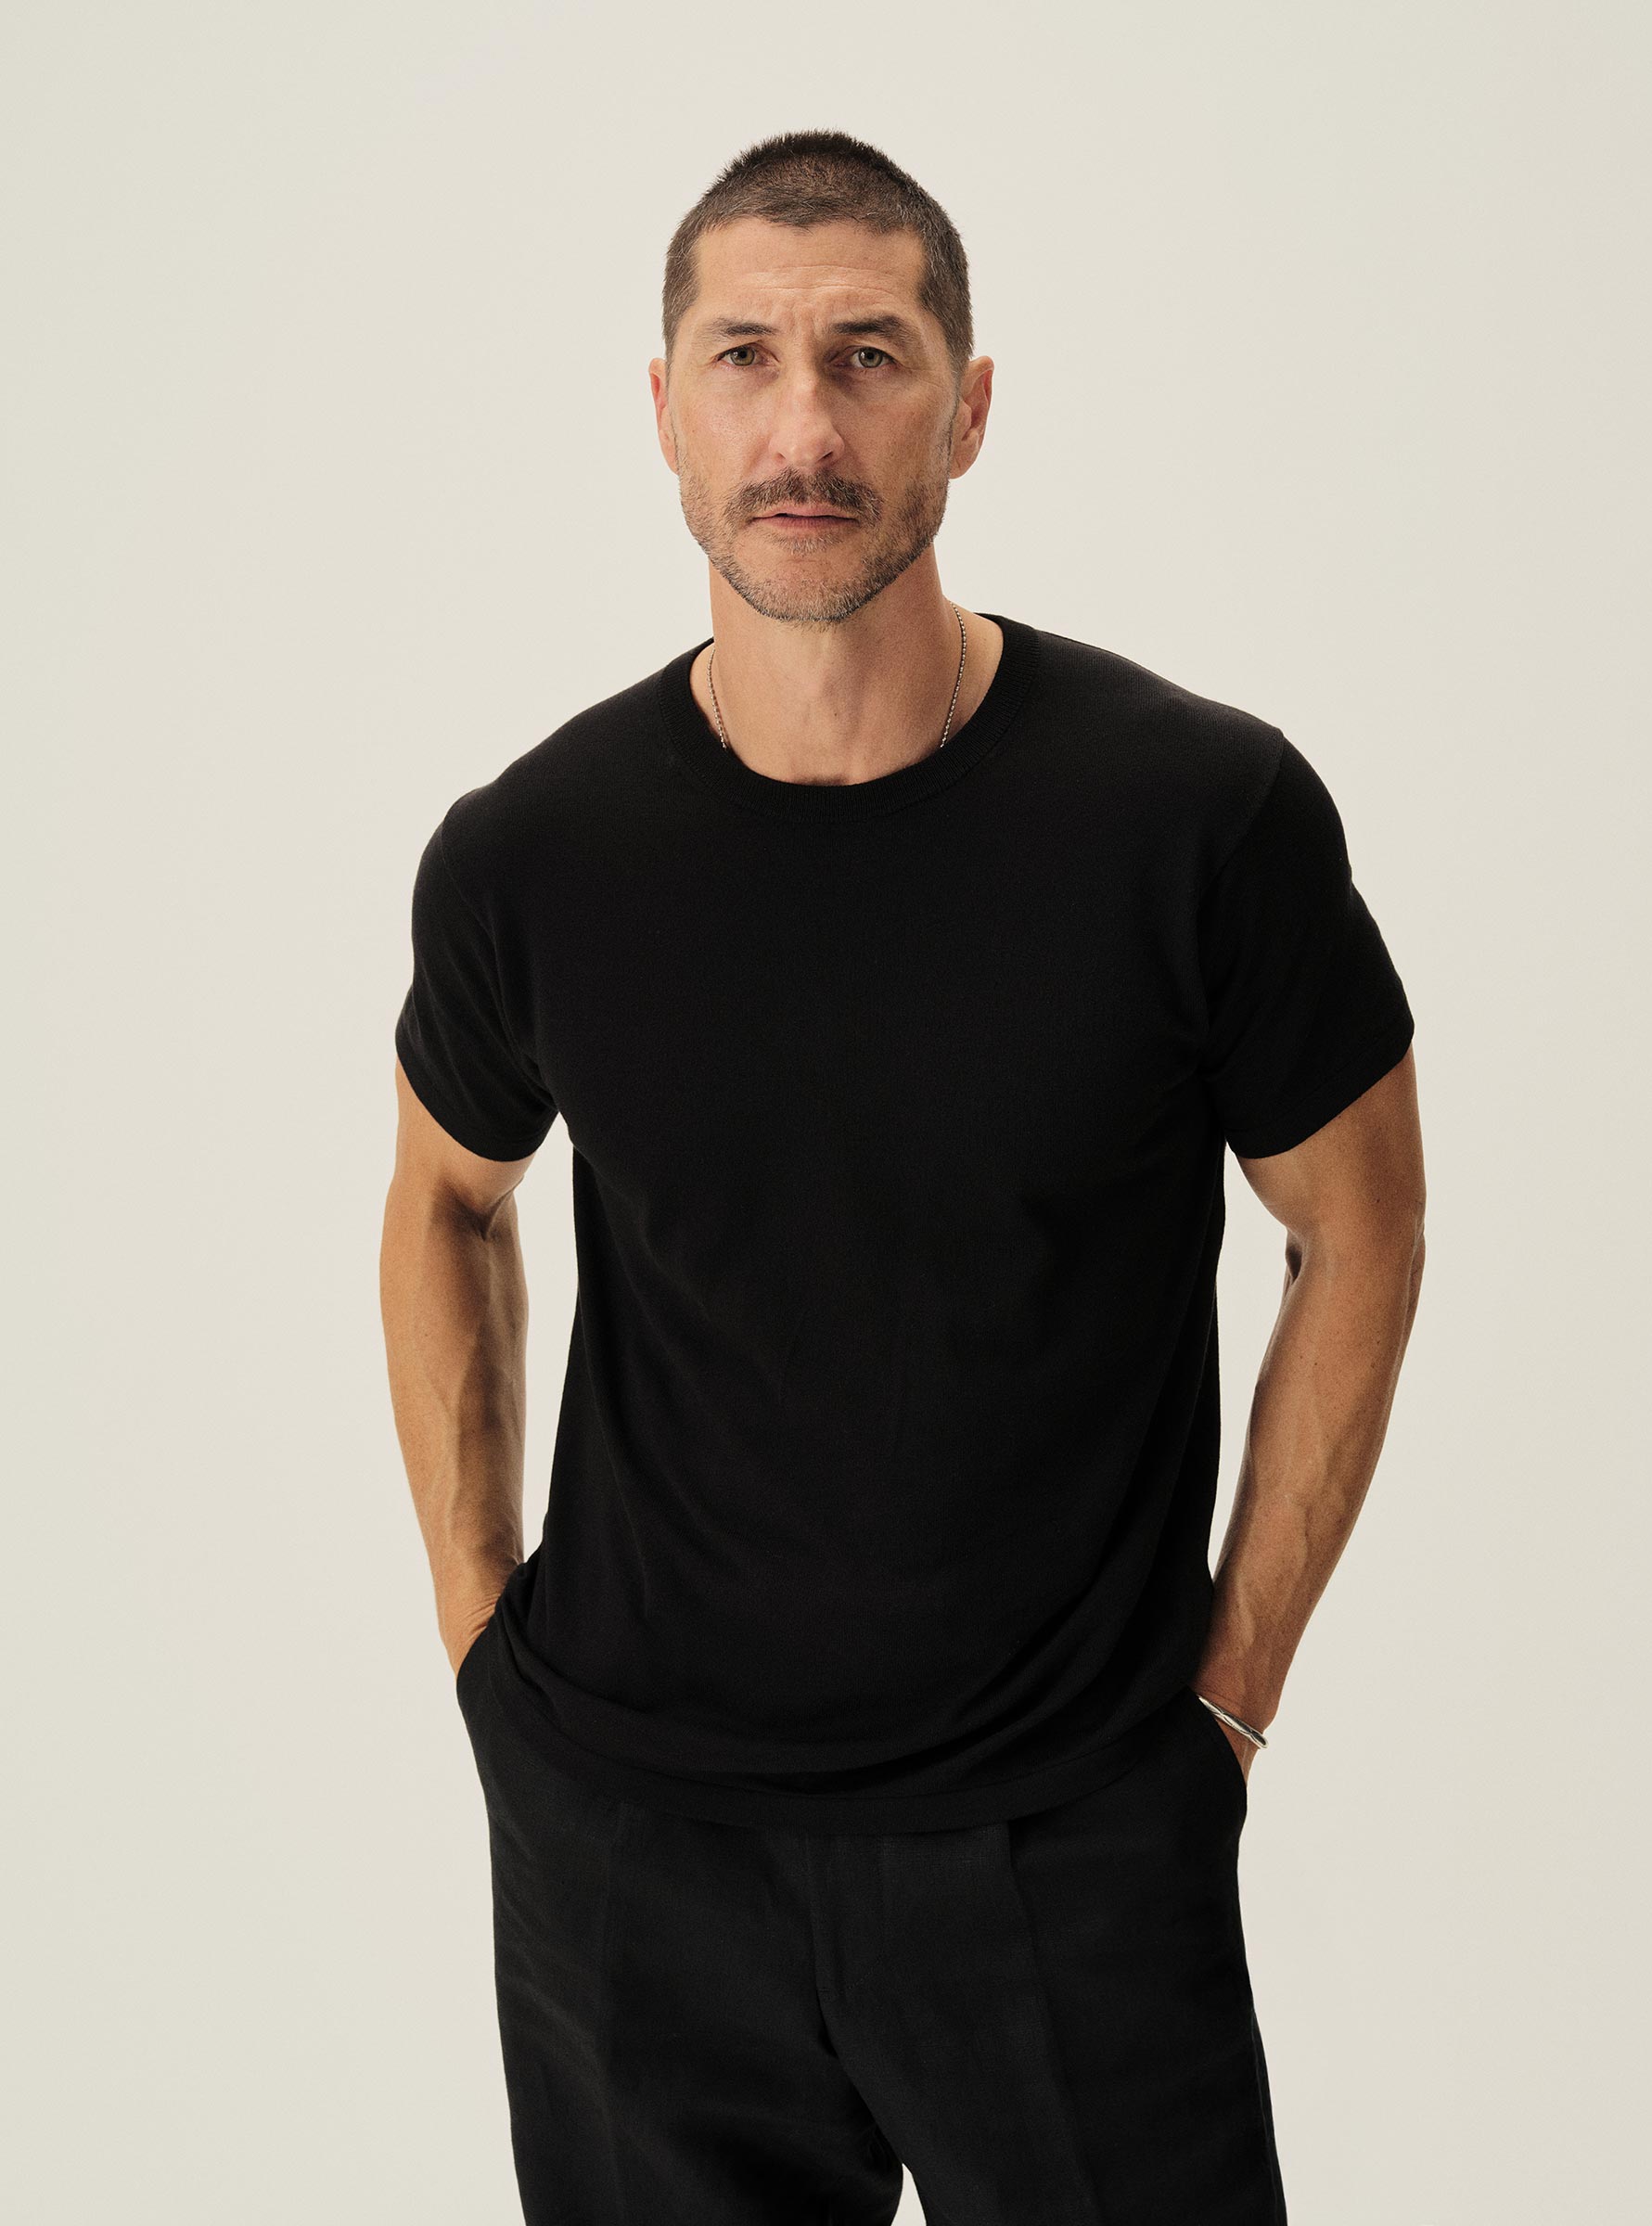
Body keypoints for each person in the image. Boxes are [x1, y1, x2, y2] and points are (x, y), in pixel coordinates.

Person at [379, 127, 1427, 2225]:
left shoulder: (1198, 817)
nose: (804, 428)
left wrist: (1224, 1708)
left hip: (1070, 1844)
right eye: (744, 358)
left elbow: (1360, 1222)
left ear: (969, 404)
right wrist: (486, 1649)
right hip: (632, 1855)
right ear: (664, 411)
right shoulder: (532, 855)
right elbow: (444, 1202)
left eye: (868, 355)